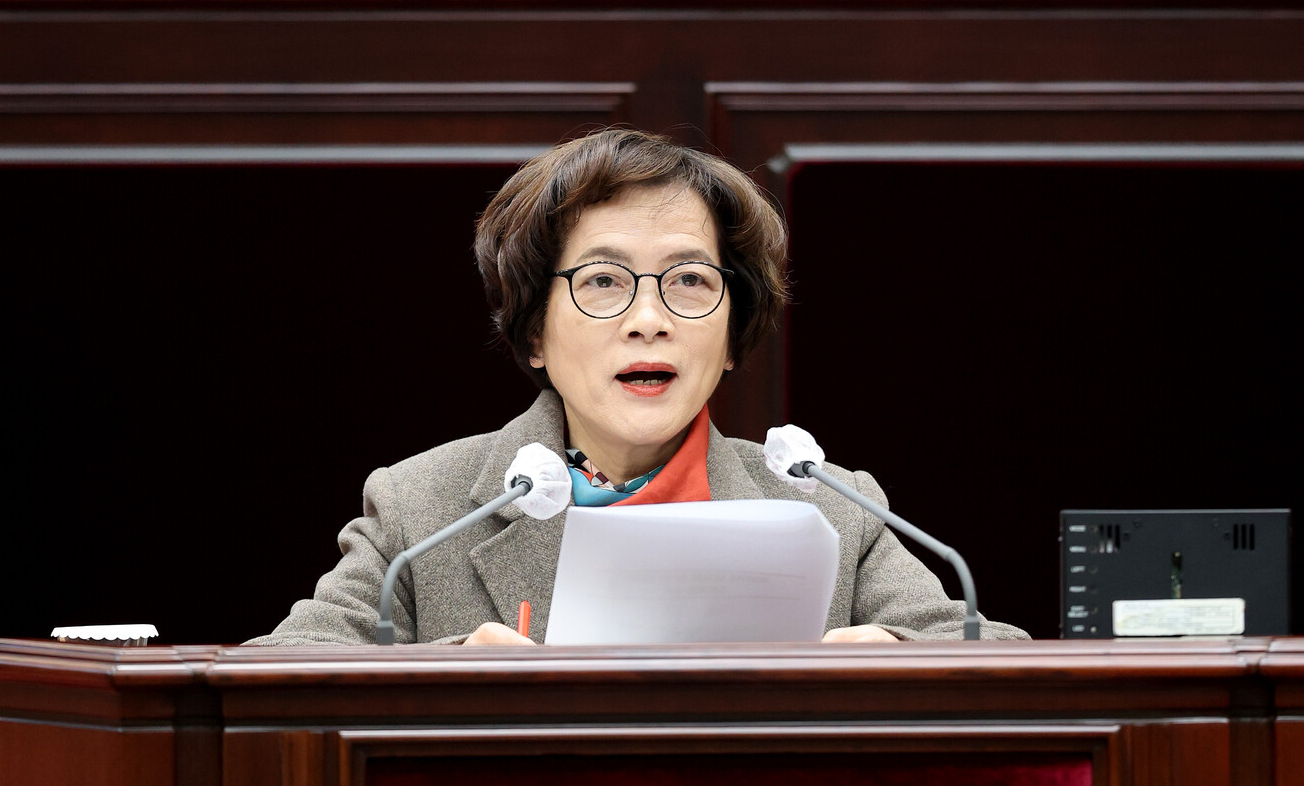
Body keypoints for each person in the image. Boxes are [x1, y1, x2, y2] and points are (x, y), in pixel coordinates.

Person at [256, 130, 1025, 647]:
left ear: (732, 336)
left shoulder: (826, 506)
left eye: (689, 281)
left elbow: (997, 652)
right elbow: (284, 667)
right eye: (602, 281)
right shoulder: (422, 508)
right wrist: (448, 672)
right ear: (533, 333)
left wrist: (894, 652)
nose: (649, 319)